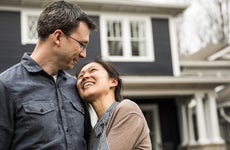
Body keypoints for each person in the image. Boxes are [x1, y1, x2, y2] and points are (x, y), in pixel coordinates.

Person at [0, 1, 97, 150]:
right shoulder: (5, 85)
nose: (84, 54)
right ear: (58, 37)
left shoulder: (76, 86)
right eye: (82, 45)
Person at [76, 59, 152, 150]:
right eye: (81, 76)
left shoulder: (127, 109)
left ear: (113, 82)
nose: (85, 76)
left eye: (93, 70)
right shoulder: (95, 131)